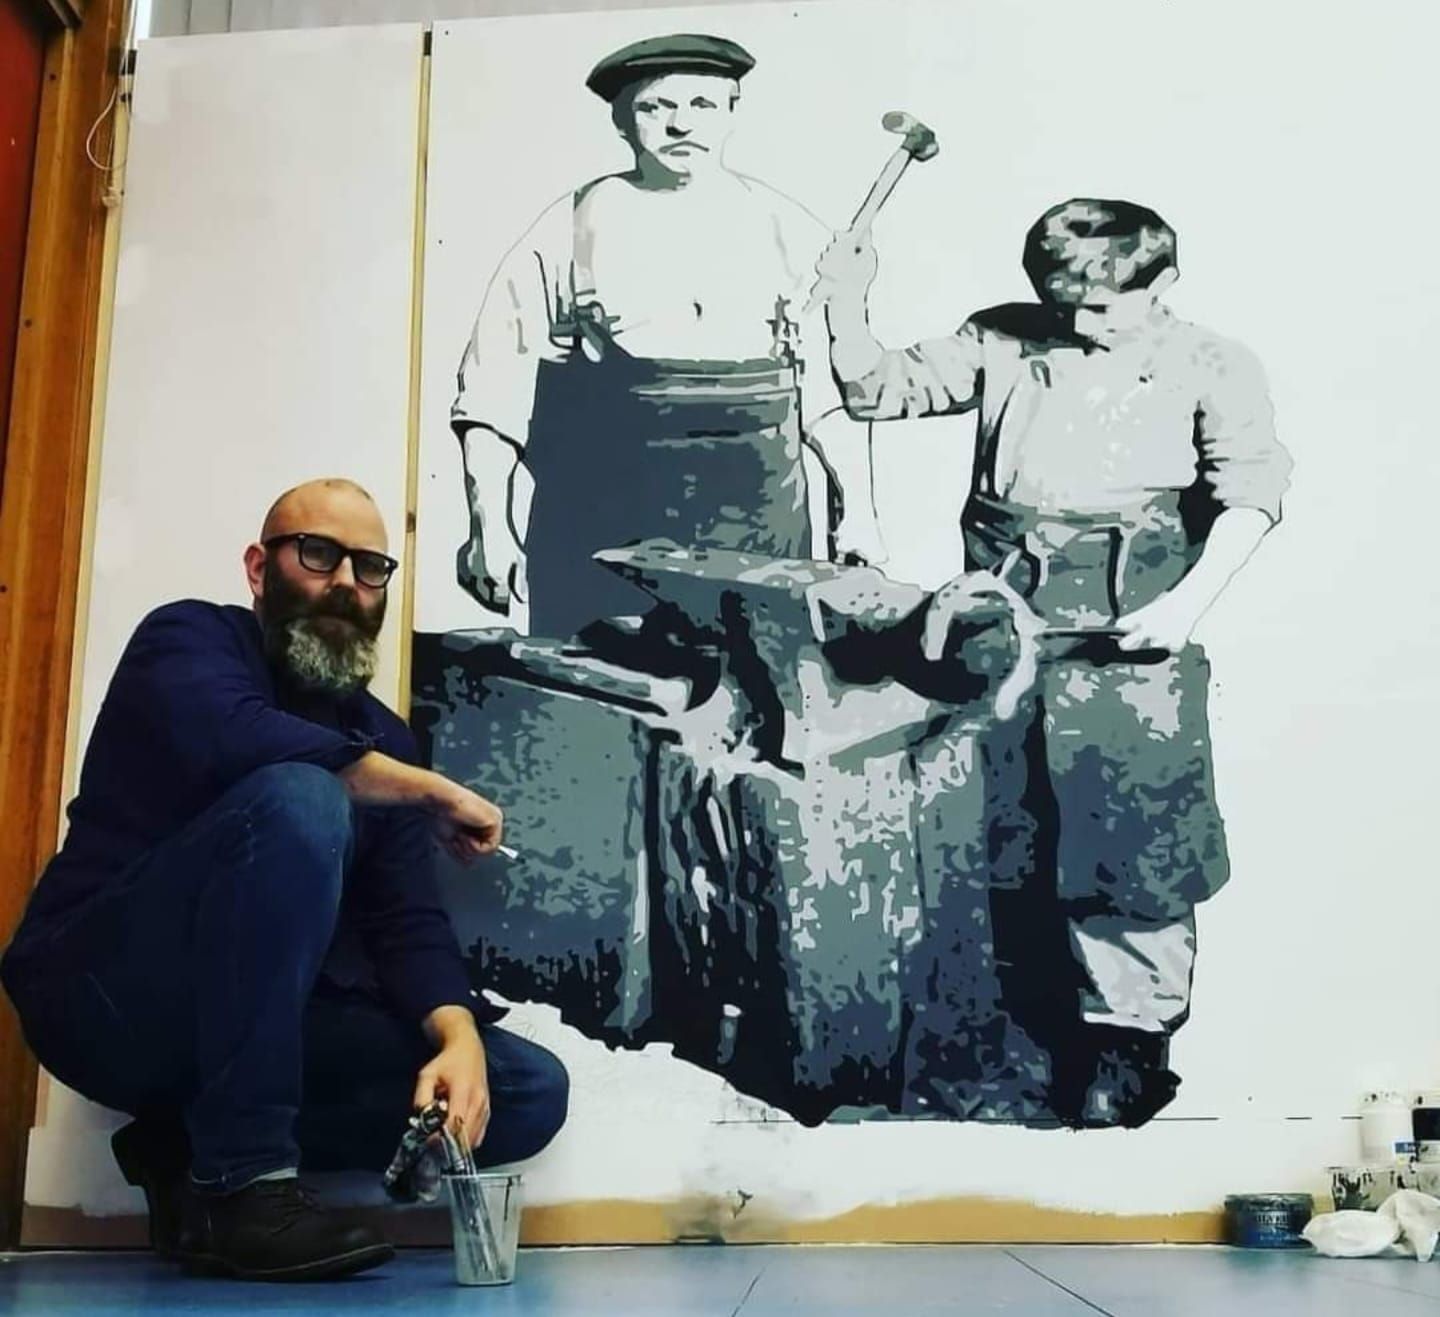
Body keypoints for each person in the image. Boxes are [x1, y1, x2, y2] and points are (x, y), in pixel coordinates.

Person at [0, 478, 569, 1281]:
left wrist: (459, 1035)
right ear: (258, 569)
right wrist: (430, 787)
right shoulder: (188, 640)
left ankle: (185, 1153)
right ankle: (245, 1187)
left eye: (370, 566)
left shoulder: (383, 737)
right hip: (102, 995)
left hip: (256, 1025)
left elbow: (405, 921)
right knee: (302, 793)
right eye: (318, 553)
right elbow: (240, 737)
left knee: (524, 1088)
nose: (345, 581)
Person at [815, 199, 1293, 1125]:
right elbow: (874, 391)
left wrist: (1182, 611)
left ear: (1164, 282)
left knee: (1130, 836)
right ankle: (1021, 1030)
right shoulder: (1000, 338)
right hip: (1003, 622)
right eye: (1066, 306)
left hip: (1132, 628)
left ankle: (1126, 1043)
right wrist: (847, 301)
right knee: (1002, 821)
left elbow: (1255, 493)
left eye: (1108, 311)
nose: (1083, 326)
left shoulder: (1215, 364)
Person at [451, 32, 884, 640]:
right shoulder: (570, 226)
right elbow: (493, 391)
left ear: (733, 109)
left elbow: (833, 400)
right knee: (598, 711)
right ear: (622, 121)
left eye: (703, 106)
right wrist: (488, 530)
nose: (682, 125)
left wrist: (858, 518)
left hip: (761, 536)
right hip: (602, 539)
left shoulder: (788, 229)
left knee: (766, 714)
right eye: (656, 107)